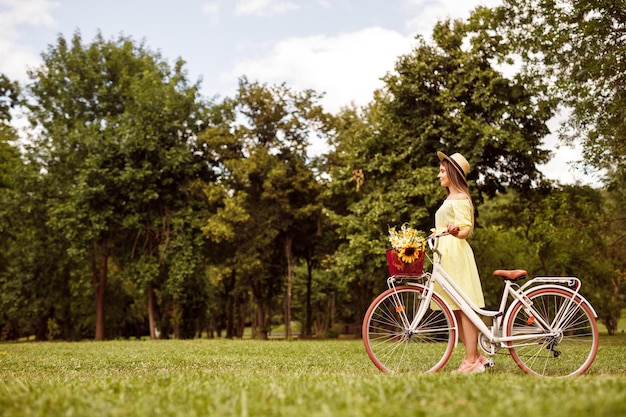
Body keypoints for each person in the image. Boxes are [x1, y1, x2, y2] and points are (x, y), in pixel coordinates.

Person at [435, 151, 486, 374]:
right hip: (445, 254)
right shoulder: (449, 198)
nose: (439, 175)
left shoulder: (461, 199)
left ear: (453, 173)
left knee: (464, 308)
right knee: (454, 308)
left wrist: (455, 232)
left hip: (456, 253)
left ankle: (471, 360)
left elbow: (466, 229)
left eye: (442, 171)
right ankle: (475, 357)